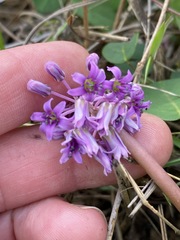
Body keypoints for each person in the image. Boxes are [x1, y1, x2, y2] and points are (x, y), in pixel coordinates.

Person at [0, 41, 173, 240]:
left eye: (91, 84)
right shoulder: (73, 108)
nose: (90, 85)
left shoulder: (102, 94)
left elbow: (100, 91)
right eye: (87, 84)